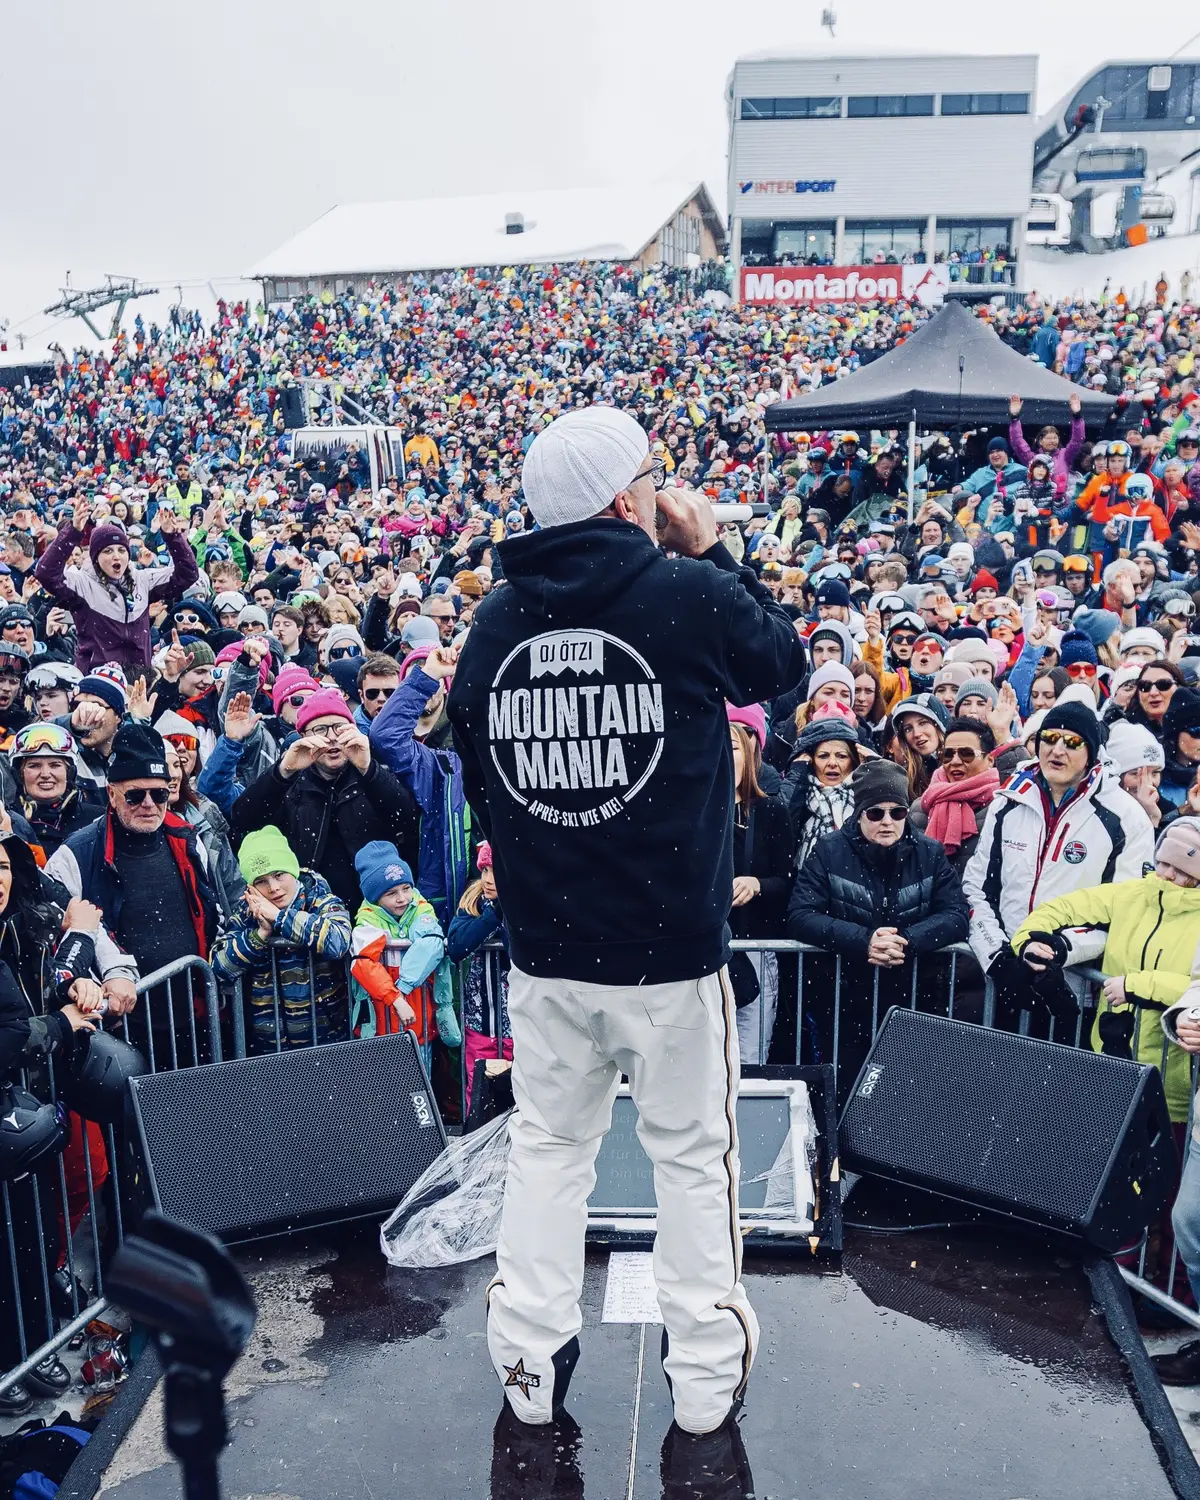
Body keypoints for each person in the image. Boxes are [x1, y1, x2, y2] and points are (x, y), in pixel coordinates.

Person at [447, 406, 807, 1435]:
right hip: (671, 956)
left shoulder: (500, 619)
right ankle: (703, 1383)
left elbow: (479, 767)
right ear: (625, 498)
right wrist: (716, 548)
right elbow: (780, 663)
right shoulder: (684, 591)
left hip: (551, 955)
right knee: (694, 1160)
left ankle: (525, 1364)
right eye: (655, 477)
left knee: (549, 1153)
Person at [787, 760, 969, 1105]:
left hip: (914, 997)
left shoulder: (929, 852)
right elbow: (800, 914)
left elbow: (957, 913)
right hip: (844, 998)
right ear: (859, 813)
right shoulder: (829, 850)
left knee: (908, 1094)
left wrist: (908, 941)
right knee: (846, 1091)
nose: (887, 821)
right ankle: (842, 1155)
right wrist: (863, 940)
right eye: (875, 813)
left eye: (897, 812)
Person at [964, 703, 1156, 1028]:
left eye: (1072, 742)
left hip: (1070, 990)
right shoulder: (1007, 803)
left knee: (1056, 1079)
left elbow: (1128, 914)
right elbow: (977, 891)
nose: (1057, 750)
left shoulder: (1126, 818)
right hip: (1005, 981)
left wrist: (1059, 948)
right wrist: (998, 958)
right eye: (1050, 738)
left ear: (1092, 753)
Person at [45, 723, 220, 1065]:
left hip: (193, 1015)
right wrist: (96, 982)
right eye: (135, 795)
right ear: (112, 794)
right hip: (121, 1027)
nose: (149, 805)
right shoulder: (76, 855)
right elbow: (60, 940)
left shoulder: (187, 838)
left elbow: (211, 912)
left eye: (160, 794)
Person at [229, 687, 418, 917]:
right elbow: (243, 819)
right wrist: (282, 772)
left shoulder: (371, 772)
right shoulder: (291, 782)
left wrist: (370, 770)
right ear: (304, 737)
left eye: (339, 727)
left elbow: (407, 817)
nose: (331, 737)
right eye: (320, 729)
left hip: (376, 908)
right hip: (313, 911)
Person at [211, 825, 352, 1053]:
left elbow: (339, 940)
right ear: (251, 886)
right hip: (270, 1046)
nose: (274, 888)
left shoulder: (320, 898)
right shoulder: (247, 912)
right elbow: (218, 966)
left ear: (293, 871)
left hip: (329, 1038)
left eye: (279, 875)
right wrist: (260, 935)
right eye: (261, 881)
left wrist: (279, 918)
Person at [34, 499, 198, 672]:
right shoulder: (82, 584)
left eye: (121, 550)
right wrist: (72, 533)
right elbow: (46, 573)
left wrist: (172, 537)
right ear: (95, 557)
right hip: (98, 682)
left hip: (139, 679)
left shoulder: (142, 580)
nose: (116, 556)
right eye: (107, 551)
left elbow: (188, 574)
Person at [349, 842, 459, 1073]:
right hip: (380, 1028)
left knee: (422, 1084)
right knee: (386, 1090)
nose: (402, 898)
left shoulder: (420, 907)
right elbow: (363, 964)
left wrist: (402, 990)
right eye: (391, 893)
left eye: (406, 888)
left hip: (419, 1025)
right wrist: (396, 1000)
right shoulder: (367, 919)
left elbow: (432, 943)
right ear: (374, 897)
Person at [725, 703, 795, 1065]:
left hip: (756, 948)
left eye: (734, 746)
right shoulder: (694, 815)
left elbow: (788, 882)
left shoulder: (771, 812)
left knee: (749, 1058)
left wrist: (758, 884)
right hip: (702, 950)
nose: (725, 755)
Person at [447, 842, 512, 1113]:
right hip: (480, 1024)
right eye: (484, 869)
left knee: (521, 1095)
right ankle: (479, 1148)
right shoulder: (473, 903)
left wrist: (508, 910)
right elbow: (457, 946)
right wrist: (492, 914)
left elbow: (517, 955)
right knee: (479, 1097)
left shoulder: (526, 904)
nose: (487, 879)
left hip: (517, 1024)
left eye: (495, 870)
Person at [910, 718, 1001, 874]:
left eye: (966, 754)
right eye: (948, 754)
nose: (955, 761)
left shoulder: (1000, 807)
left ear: (990, 760)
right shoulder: (923, 805)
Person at [9, 722, 105, 856]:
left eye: (55, 765)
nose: (45, 774)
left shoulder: (98, 820)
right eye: (34, 765)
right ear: (20, 774)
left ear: (70, 772)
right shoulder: (7, 822)